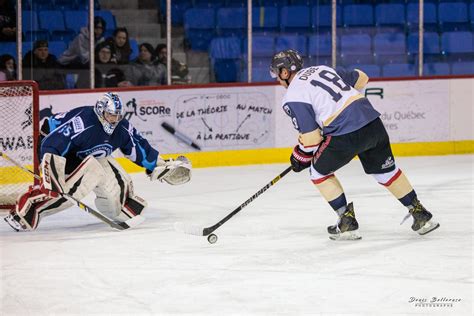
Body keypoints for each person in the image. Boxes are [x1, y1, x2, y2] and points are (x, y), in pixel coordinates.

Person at [270, 49, 439, 240]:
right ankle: (420, 213)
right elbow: (362, 78)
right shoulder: (322, 69)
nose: (277, 78)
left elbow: (312, 139)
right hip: (372, 122)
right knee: (386, 172)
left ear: (285, 72)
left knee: (318, 172)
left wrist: (299, 157)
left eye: (277, 73)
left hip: (345, 133)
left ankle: (346, 221)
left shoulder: (292, 95)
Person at [4, 92, 192, 231]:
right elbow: (53, 143)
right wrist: (52, 175)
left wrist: (159, 165)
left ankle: (121, 206)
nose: (114, 120)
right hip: (54, 148)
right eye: (111, 115)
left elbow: (139, 147)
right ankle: (25, 211)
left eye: (118, 116)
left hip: (82, 153)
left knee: (113, 180)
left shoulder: (121, 128)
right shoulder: (83, 123)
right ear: (101, 112)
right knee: (67, 190)